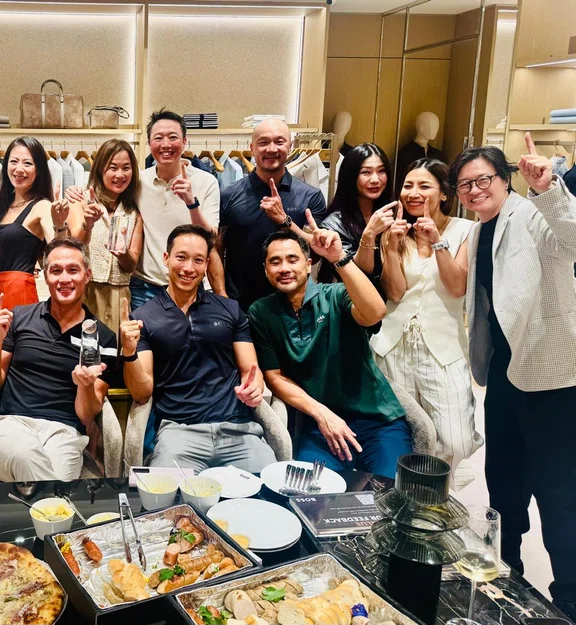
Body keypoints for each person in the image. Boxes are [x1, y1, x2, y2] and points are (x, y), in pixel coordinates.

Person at [453, 135, 576, 618]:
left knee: (558, 491)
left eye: (483, 180)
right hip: (506, 375)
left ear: (506, 181)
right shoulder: (481, 228)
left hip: (552, 378)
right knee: (503, 485)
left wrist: (549, 190)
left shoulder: (531, 214)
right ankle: (509, 572)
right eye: (465, 185)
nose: (474, 189)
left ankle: (568, 593)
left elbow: (571, 239)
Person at [249, 229, 412, 479]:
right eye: (275, 261)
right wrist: (322, 414)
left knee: (391, 496)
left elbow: (375, 312)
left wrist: (339, 258)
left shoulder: (336, 295)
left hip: (377, 421)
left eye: (293, 259)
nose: (284, 268)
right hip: (318, 427)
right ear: (264, 269)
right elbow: (274, 376)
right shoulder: (261, 312)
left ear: (308, 264)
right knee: (312, 498)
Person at [120, 225, 275, 473]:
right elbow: (141, 393)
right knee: (165, 502)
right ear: (166, 258)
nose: (189, 268)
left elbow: (251, 369)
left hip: (237, 430)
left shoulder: (230, 309)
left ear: (206, 266)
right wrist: (129, 352)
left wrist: (254, 386)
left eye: (198, 260)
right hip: (179, 433)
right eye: (181, 257)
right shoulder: (143, 317)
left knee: (271, 491)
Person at [372, 159, 481, 488]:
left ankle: (435, 487)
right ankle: (409, 499)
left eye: (424, 186)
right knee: (404, 432)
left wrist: (437, 241)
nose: (413, 193)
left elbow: (456, 286)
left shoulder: (465, 230)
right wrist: (390, 249)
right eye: (408, 186)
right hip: (394, 344)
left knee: (456, 439)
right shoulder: (395, 231)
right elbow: (394, 293)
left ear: (444, 193)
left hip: (442, 345)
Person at [0, 239, 117, 482]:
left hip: (65, 433)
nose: (64, 279)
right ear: (45, 276)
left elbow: (86, 416)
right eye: (56, 271)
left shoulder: (102, 336)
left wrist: (84, 385)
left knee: (56, 475)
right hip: (12, 424)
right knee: (28, 458)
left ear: (87, 275)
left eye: (73, 270)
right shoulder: (20, 317)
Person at [219, 118, 329, 313]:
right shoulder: (229, 195)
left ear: (290, 146)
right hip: (240, 306)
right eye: (263, 142)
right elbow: (217, 248)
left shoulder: (310, 196)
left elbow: (315, 253)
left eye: (279, 141)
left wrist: (286, 221)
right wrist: (221, 296)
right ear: (252, 148)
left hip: (294, 306)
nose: (271, 149)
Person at [0, 136, 72, 354]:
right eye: (13, 162)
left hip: (20, 289)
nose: (19, 169)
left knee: (14, 354)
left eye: (27, 163)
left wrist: (60, 224)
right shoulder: (3, 205)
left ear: (38, 170)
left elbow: (59, 251)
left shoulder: (41, 205)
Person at [127, 110, 224, 308]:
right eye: (158, 138)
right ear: (148, 143)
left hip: (190, 285)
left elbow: (211, 237)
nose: (165, 145)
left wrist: (191, 202)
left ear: (185, 142)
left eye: (173, 137)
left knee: (190, 339)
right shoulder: (137, 182)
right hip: (144, 287)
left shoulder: (207, 182)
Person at [68, 139, 143, 332]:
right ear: (101, 169)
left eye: (126, 168)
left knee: (117, 352)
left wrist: (123, 253)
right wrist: (88, 224)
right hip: (87, 290)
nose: (120, 175)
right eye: (112, 168)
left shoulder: (133, 211)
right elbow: (76, 245)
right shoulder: (81, 200)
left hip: (121, 294)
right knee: (86, 349)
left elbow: (131, 264)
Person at [318, 143, 397, 286]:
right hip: (351, 303)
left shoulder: (394, 215)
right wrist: (369, 234)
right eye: (366, 172)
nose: (375, 179)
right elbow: (358, 274)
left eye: (381, 171)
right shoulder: (334, 224)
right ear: (351, 176)